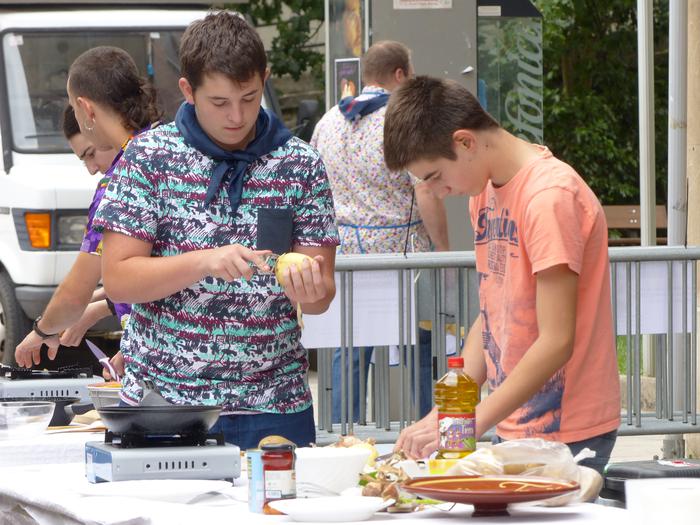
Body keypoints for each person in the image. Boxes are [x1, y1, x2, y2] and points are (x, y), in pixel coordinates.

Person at [92, 12, 339, 449]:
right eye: (219, 102)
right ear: (188, 91)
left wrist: (310, 290)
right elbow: (118, 278)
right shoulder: (150, 156)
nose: (237, 116)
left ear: (264, 79)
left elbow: (320, 299)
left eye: (249, 97)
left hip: (274, 404)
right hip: (165, 402)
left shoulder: (300, 163)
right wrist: (204, 261)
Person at [385, 76, 620, 474]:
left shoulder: (549, 197)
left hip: (568, 430)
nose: (438, 191)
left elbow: (557, 340)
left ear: (465, 142)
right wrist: (444, 415)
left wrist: (470, 422)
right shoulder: (483, 191)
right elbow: (493, 310)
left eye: (435, 176)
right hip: (513, 421)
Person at [311, 41, 448, 424]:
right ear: (400, 75)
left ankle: (343, 434)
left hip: (349, 258)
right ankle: (425, 433)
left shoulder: (328, 122)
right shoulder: (401, 120)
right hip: (403, 259)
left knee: (349, 349)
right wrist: (444, 248)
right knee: (418, 350)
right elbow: (424, 189)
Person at [14, 47, 161, 381]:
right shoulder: (176, 146)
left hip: (165, 379)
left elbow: (76, 290)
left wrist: (41, 331)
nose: (93, 168)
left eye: (91, 155)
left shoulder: (123, 176)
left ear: (84, 108)